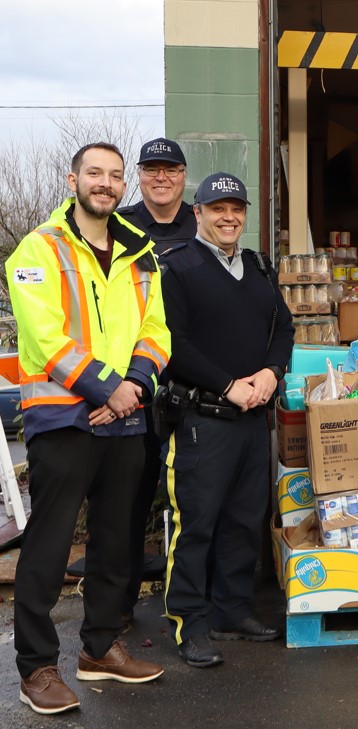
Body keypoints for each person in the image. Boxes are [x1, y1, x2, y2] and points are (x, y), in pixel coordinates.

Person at [5, 143, 170, 715]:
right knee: (50, 546)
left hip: (125, 415)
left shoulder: (140, 251)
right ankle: (36, 668)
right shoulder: (39, 248)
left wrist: (135, 387)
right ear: (72, 179)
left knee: (116, 541)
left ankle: (99, 648)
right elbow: (44, 334)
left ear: (124, 186)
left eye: (115, 176)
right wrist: (107, 388)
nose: (106, 183)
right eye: (94, 173)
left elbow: (156, 330)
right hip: (62, 417)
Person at [159, 172, 294, 668]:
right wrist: (227, 384)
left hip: (253, 421)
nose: (228, 217)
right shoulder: (177, 268)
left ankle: (232, 612)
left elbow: (284, 328)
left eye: (236, 208)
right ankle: (189, 624)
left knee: (243, 521)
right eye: (217, 208)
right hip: (202, 421)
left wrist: (271, 372)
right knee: (196, 526)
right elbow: (171, 344)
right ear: (197, 213)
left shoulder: (258, 268)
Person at [116, 137, 197, 630]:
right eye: (151, 169)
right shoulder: (119, 224)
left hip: (193, 385)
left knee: (196, 499)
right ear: (140, 176)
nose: (161, 177)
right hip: (134, 386)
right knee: (127, 501)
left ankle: (195, 604)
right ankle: (119, 606)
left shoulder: (201, 222)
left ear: (184, 175)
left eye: (170, 169)